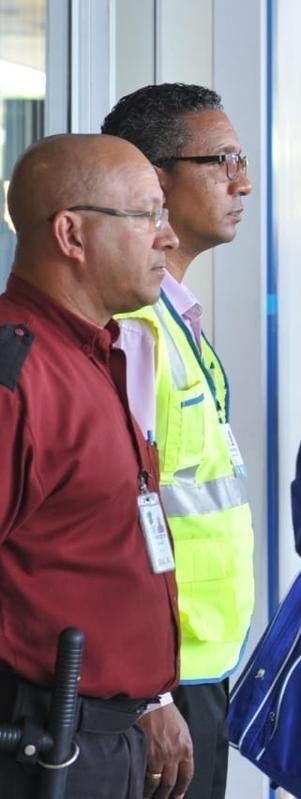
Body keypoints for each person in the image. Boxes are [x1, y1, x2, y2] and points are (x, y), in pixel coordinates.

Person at [0, 134, 181, 798]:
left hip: (107, 735)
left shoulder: (96, 352)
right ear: (71, 234)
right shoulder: (17, 375)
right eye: (147, 215)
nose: (167, 237)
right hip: (39, 743)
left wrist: (153, 698)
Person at [102, 83, 256, 799]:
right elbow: (111, 514)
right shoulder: (135, 328)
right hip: (157, 680)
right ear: (156, 181)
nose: (242, 183)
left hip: (196, 663)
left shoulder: (174, 314)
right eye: (222, 162)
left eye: (241, 162)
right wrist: (151, 691)